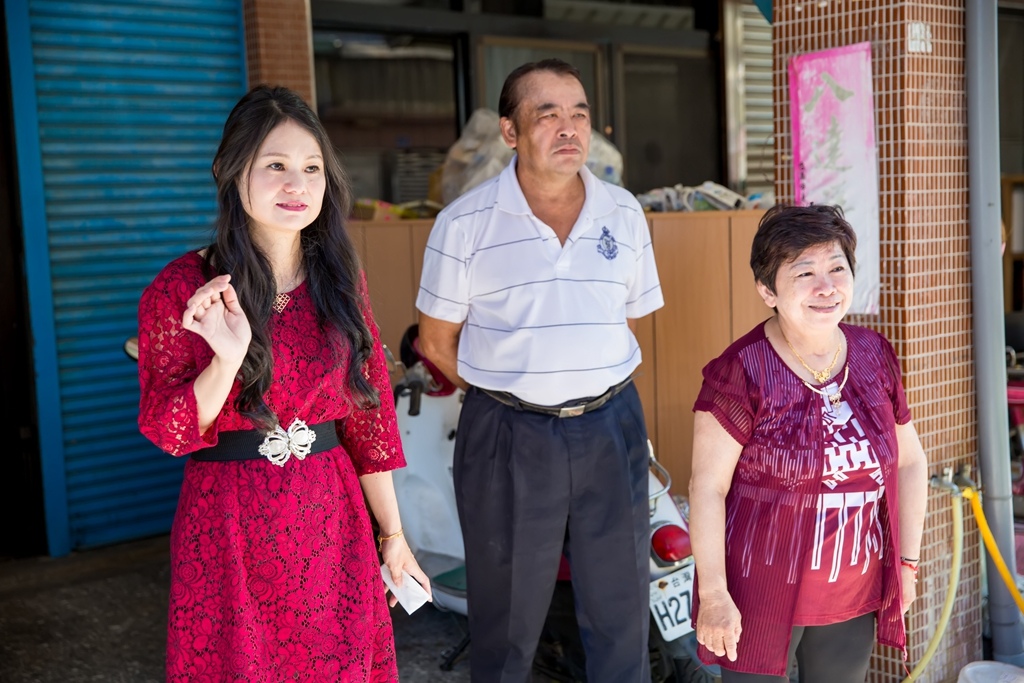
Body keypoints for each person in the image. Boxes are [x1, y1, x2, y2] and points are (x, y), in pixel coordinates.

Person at [136, 85, 430, 682]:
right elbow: (167, 432)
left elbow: (368, 418)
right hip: (228, 523)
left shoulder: (340, 279)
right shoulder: (182, 288)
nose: (297, 185)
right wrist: (226, 359)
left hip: (331, 516)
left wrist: (394, 534)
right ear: (230, 170)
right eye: (275, 166)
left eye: (312, 168)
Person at [416, 58, 664, 681]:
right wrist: (517, 394)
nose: (568, 127)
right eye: (546, 113)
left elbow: (624, 320)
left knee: (622, 611)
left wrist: (575, 383)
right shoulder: (463, 224)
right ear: (510, 132)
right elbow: (435, 341)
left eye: (577, 112)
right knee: (506, 622)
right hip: (507, 435)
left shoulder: (624, 213)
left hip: (610, 427)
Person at [687, 204, 928, 682]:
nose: (827, 287)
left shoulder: (873, 355)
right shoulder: (741, 372)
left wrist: (906, 564)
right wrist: (714, 594)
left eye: (837, 268)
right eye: (805, 272)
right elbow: (707, 487)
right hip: (757, 592)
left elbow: (910, 462)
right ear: (767, 290)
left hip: (852, 591)